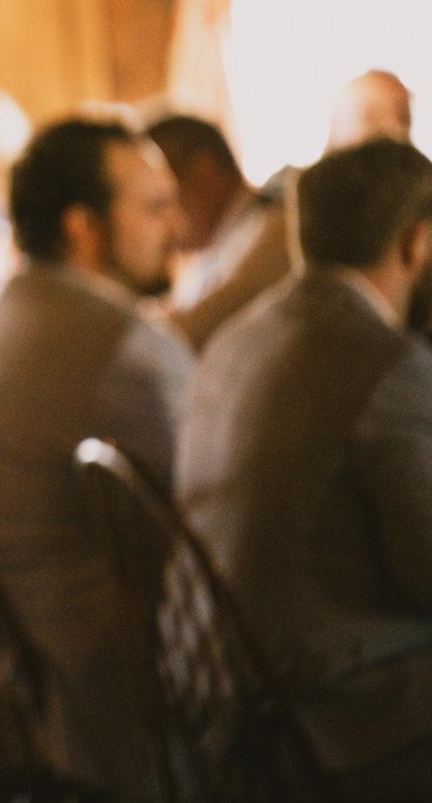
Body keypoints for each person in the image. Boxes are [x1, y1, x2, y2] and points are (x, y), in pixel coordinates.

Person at [0, 117, 191, 798]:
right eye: (154, 207)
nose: (176, 225)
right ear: (82, 228)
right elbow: (213, 528)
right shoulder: (120, 346)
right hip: (101, 716)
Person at [177, 137, 432, 794]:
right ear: (416, 242)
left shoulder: (235, 340)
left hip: (228, 704)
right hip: (340, 719)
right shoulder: (389, 365)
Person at [146, 113, 293, 349]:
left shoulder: (275, 226)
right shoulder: (214, 246)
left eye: (166, 197)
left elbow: (192, 329)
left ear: (204, 173)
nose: (168, 219)